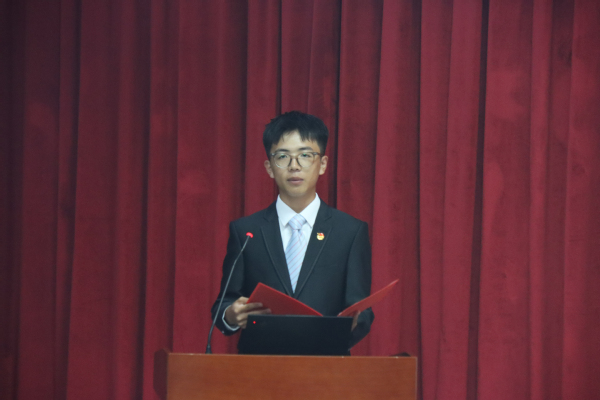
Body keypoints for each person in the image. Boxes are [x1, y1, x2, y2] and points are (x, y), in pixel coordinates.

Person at [210, 111, 374, 351]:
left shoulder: (349, 231)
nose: (294, 166)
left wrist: (354, 323)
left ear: (322, 164)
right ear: (269, 167)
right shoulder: (246, 231)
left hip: (326, 365)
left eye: (305, 155)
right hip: (258, 366)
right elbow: (225, 302)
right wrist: (230, 315)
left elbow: (362, 309)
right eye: (283, 157)